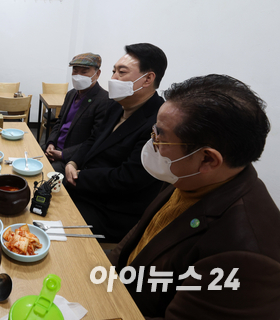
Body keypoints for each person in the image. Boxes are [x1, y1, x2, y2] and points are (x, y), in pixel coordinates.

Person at [108, 74, 280, 318]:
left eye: (160, 137)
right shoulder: (191, 178)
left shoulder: (246, 256)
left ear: (207, 159)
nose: (153, 144)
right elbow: (139, 236)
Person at [65, 43, 168, 243]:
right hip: (87, 188)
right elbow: (93, 139)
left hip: (113, 210)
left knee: (54, 221)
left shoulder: (158, 122)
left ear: (147, 78)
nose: (113, 79)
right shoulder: (116, 105)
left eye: (121, 72)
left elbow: (127, 179)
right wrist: (73, 162)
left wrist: (80, 177)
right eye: (113, 71)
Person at [44, 52, 112, 174]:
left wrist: (64, 154)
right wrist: (51, 142)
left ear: (97, 74)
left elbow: (95, 139)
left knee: (45, 176)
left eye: (84, 71)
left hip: (72, 157)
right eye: (75, 71)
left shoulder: (104, 100)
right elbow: (59, 121)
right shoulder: (71, 94)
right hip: (55, 148)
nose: (78, 75)